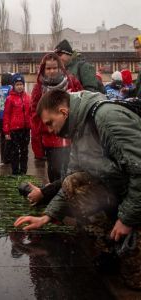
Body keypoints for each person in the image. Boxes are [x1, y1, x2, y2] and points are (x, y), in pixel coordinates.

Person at [14, 89, 141, 289]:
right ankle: (113, 241)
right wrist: (46, 216)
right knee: (74, 182)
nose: (49, 130)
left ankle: (127, 237)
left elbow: (140, 169)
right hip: (124, 191)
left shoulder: (107, 118)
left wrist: (127, 218)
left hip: (136, 193)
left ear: (64, 112)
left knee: (135, 280)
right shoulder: (80, 128)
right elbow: (70, 179)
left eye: (50, 123)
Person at [31, 52, 82, 182]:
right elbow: (35, 115)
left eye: (55, 67)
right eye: (48, 68)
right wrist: (46, 127)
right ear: (43, 69)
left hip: (71, 137)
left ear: (60, 68)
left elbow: (81, 103)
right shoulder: (39, 89)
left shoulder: (72, 83)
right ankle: (56, 197)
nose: (52, 71)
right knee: (55, 172)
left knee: (72, 173)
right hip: (50, 138)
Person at [3, 73, 31, 175]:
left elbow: (31, 112)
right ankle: (15, 171)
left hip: (25, 129)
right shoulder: (10, 99)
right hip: (14, 129)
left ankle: (23, 171)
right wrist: (6, 131)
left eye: (21, 84)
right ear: (13, 86)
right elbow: (6, 115)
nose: (19, 86)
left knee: (24, 151)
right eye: (17, 84)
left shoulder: (28, 97)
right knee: (14, 152)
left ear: (24, 85)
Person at [0, 73, 13, 164]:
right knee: (8, 137)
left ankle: (3, 156)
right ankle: (7, 157)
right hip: (7, 117)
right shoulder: (10, 89)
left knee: (2, 137)